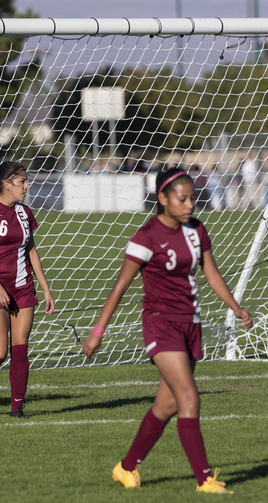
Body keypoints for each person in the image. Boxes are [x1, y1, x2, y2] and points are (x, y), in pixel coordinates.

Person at [82, 166, 253, 494]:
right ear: (162, 198)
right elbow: (121, 285)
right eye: (182, 198)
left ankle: (126, 467)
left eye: (192, 197)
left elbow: (211, 273)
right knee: (189, 397)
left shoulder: (196, 230)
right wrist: (98, 331)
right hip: (161, 324)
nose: (190, 204)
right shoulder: (146, 237)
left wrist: (235, 308)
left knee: (167, 405)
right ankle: (204, 479)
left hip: (192, 324)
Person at [0, 161, 55, 418]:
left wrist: (46, 288)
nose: (27, 187)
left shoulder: (24, 213)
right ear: (5, 185)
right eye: (22, 182)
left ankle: (17, 408)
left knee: (21, 348)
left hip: (23, 288)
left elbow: (31, 250)